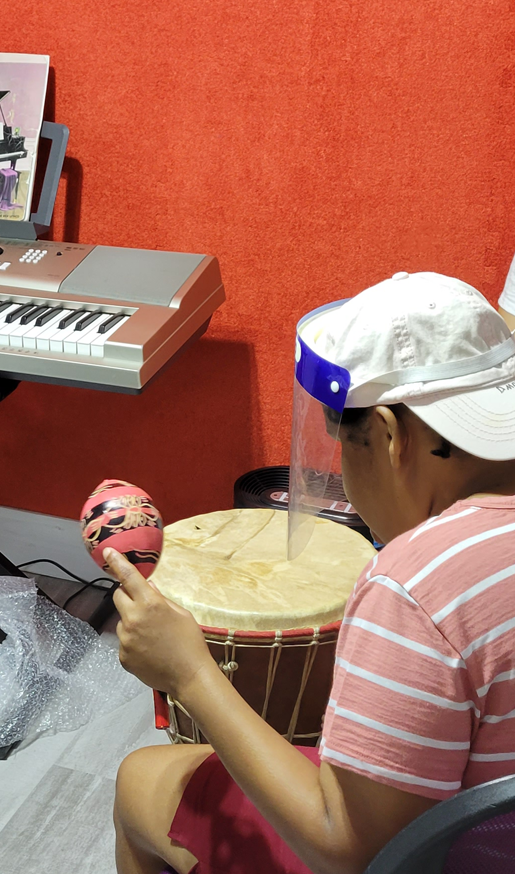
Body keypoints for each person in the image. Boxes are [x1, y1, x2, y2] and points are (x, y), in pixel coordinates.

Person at [110, 271, 515, 874]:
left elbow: (351, 853)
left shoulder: (415, 587)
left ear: (384, 434)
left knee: (140, 778)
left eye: (341, 444)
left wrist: (189, 673)